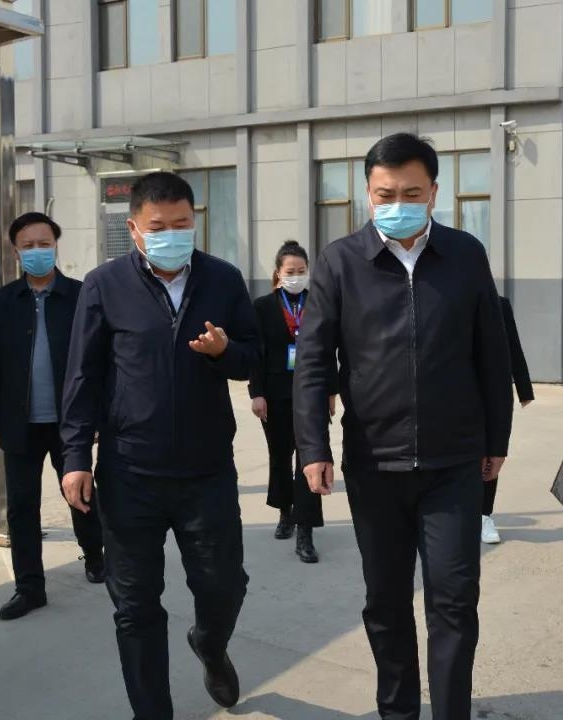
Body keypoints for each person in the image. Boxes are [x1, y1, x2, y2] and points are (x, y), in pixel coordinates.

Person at [294, 133, 513, 720]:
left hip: (453, 463)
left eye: (411, 193)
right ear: (368, 194)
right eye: (385, 193)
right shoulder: (341, 261)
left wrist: (497, 440)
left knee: (454, 601)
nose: (398, 204)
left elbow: (491, 354)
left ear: (434, 192)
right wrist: (313, 446)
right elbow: (312, 363)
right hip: (375, 464)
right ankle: (398, 711)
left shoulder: (465, 255)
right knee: (386, 603)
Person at [60, 172, 259, 719]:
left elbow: (254, 357)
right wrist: (76, 457)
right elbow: (82, 375)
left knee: (224, 586)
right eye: (158, 226)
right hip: (129, 472)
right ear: (134, 229)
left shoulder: (223, 280)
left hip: (206, 471)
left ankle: (210, 644)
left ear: (195, 222)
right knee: (135, 607)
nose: (171, 235)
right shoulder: (104, 285)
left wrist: (224, 352)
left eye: (181, 224)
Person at [0, 212, 105, 621]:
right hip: (18, 423)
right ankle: (29, 587)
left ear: (56, 246)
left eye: (44, 243)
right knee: (21, 507)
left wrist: (97, 416)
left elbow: (97, 359)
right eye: (28, 245)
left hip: (70, 421)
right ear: (16, 252)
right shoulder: (4, 300)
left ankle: (95, 556)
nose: (37, 251)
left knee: (81, 494)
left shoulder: (80, 294)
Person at [249, 240, 334, 564]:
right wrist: (257, 393)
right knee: (280, 455)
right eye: (290, 271)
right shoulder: (263, 306)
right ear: (278, 273)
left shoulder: (318, 303)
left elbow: (328, 350)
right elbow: (256, 353)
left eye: (301, 270)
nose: (296, 276)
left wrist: (330, 392)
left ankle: (305, 531)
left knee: (310, 458)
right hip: (275, 392)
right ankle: (285, 511)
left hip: (311, 392)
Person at [480, 296, 534, 544]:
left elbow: (513, 345)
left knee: (491, 453)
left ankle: (483, 515)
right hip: (454, 395)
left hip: (491, 394)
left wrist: (524, 388)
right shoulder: (446, 302)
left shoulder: (498, 304)